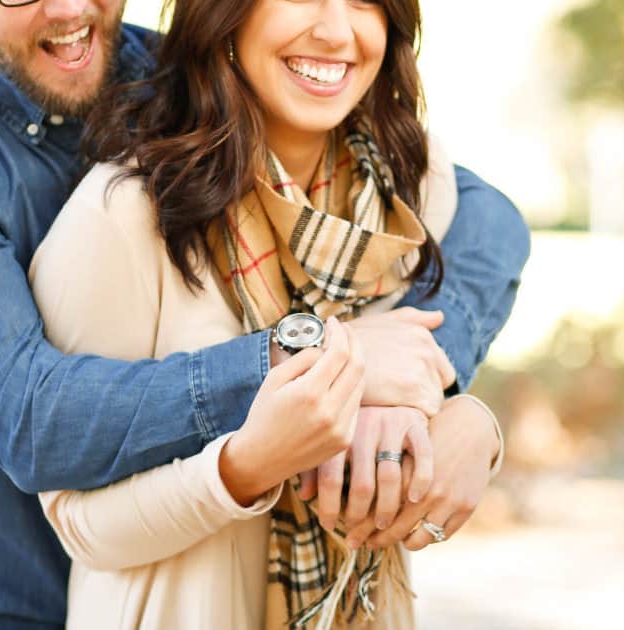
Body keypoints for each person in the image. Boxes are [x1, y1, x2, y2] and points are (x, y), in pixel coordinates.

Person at [0, 1, 530, 628]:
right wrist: (317, 358)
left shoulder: (177, 76)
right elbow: (31, 418)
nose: (72, 8)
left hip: (189, 584)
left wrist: (429, 388)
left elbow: (487, 220)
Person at [27, 0, 509, 628]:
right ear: (226, 15)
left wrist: (471, 423)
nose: (336, 30)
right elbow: (80, 525)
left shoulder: (411, 187)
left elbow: (418, 370)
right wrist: (248, 463)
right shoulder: (123, 217)